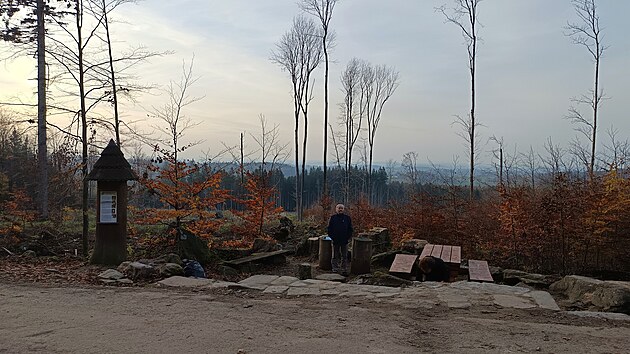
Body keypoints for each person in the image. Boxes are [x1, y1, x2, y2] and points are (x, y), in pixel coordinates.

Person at [327, 203, 353, 275]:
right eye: (339, 208)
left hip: (344, 240)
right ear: (336, 209)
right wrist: (332, 237)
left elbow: (350, 229)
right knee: (335, 255)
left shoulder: (347, 218)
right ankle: (335, 268)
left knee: (344, 256)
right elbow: (329, 229)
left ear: (343, 209)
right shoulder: (333, 218)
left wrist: (348, 237)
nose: (340, 209)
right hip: (335, 240)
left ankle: (344, 269)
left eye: (341, 208)